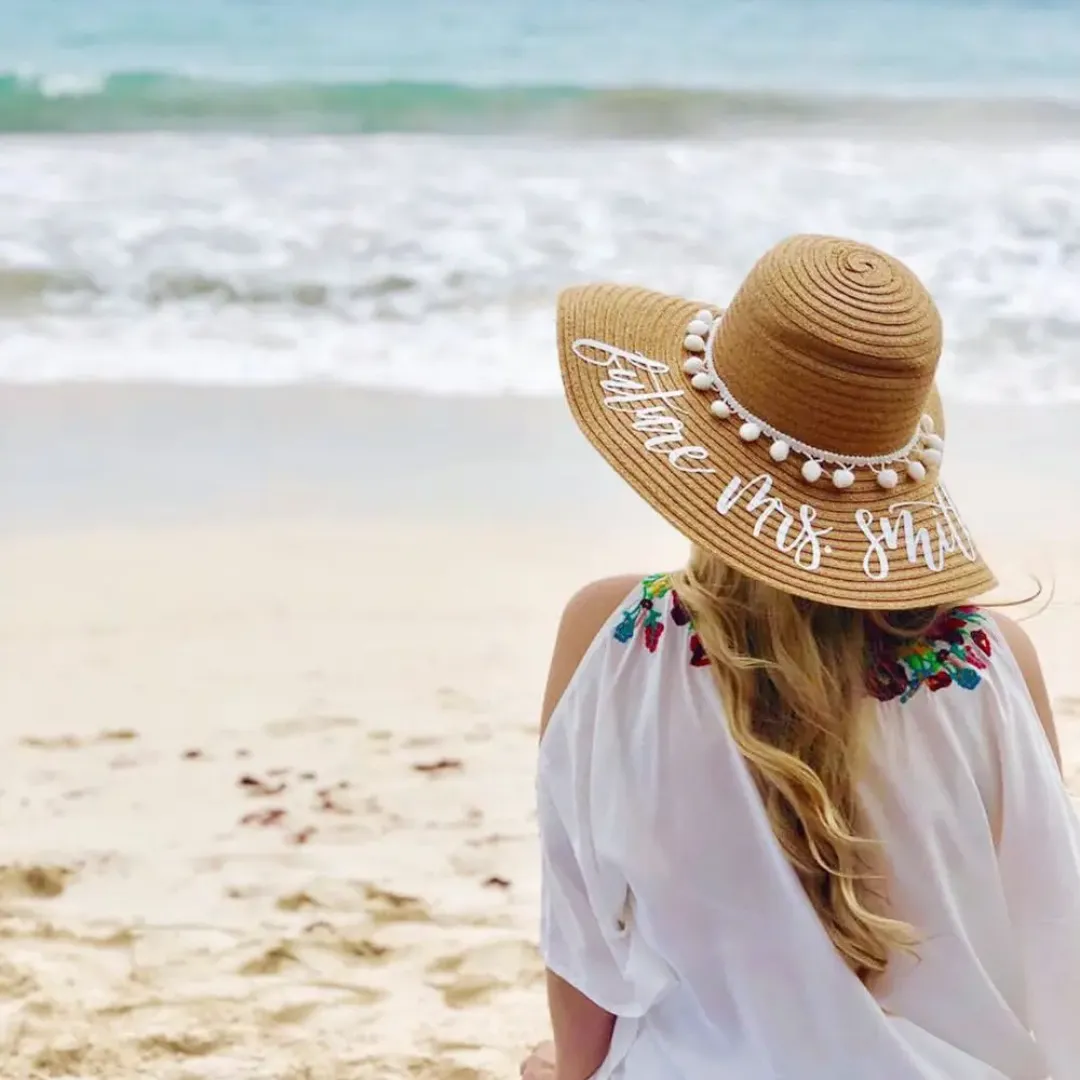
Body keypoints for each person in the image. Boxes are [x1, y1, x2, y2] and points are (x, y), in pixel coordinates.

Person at [521, 235, 1080, 1080]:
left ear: (692, 443)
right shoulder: (992, 664)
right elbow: (1051, 923)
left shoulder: (611, 634)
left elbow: (584, 927)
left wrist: (569, 1073)